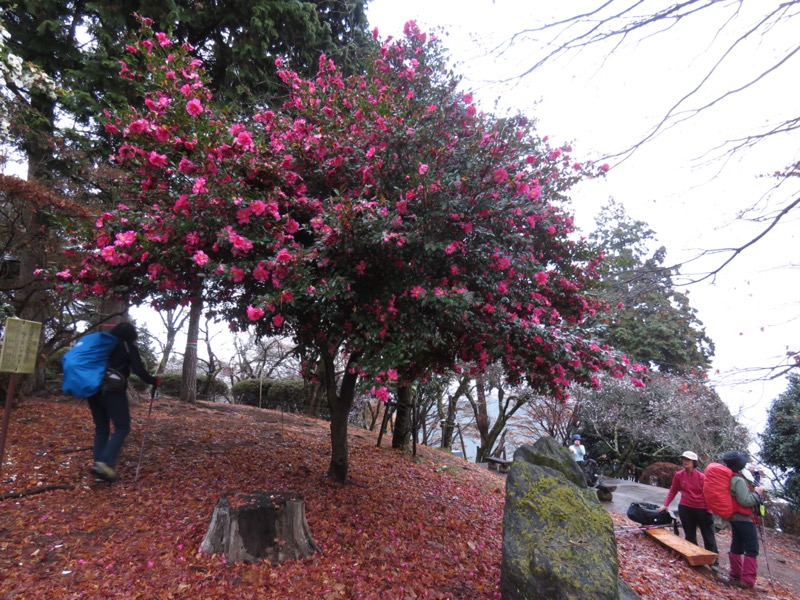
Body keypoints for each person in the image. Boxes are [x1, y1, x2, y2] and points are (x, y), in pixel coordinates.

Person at [88, 322, 159, 482]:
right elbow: (139, 370)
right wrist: (154, 381)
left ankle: (99, 467)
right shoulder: (127, 346)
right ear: (131, 335)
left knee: (101, 428)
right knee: (122, 426)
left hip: (93, 388)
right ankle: (105, 464)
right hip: (112, 389)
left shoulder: (103, 345)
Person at [658, 451, 718, 555]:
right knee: (689, 535)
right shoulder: (679, 475)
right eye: (684, 459)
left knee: (708, 535)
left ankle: (712, 559)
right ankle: (694, 556)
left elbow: (709, 494)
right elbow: (673, 489)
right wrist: (666, 504)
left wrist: (709, 510)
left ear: (694, 462)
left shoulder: (702, 477)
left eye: (688, 460)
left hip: (702, 509)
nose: (685, 462)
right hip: (686, 508)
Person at [722, 451, 764, 589]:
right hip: (744, 518)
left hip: (734, 517)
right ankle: (747, 581)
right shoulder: (738, 480)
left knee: (737, 545)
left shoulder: (727, 477)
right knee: (752, 549)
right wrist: (757, 494)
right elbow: (745, 501)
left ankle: (735, 575)